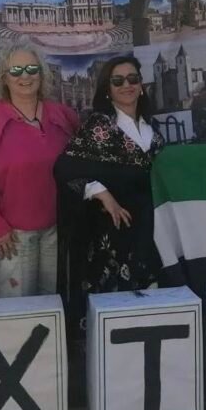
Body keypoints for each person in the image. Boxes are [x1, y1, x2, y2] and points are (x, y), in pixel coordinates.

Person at [0, 43, 79, 297]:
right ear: (4, 77)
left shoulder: (62, 115)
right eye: (15, 70)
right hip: (12, 234)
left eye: (31, 68)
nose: (25, 76)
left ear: (42, 73)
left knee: (52, 304)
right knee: (17, 308)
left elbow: (80, 165)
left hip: (56, 230)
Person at [54, 56, 164, 317]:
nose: (127, 85)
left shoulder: (153, 130)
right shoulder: (100, 126)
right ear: (108, 89)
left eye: (133, 79)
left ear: (141, 85)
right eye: (118, 80)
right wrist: (103, 194)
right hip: (112, 231)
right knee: (113, 304)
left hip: (150, 229)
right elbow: (65, 167)